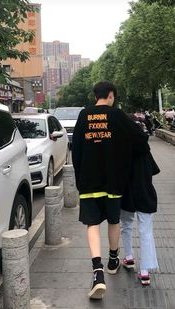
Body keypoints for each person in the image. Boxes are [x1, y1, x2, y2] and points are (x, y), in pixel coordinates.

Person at [72, 81, 149, 299]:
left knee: (92, 223)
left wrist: (80, 180)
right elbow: (140, 141)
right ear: (111, 95)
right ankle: (113, 260)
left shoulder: (83, 116)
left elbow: (75, 148)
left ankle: (97, 272)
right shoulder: (117, 116)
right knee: (114, 221)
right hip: (114, 182)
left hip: (88, 181)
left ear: (95, 96)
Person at [121, 119, 160, 286]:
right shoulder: (145, 148)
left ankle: (129, 257)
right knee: (145, 231)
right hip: (145, 193)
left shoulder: (121, 149)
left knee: (126, 226)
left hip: (127, 195)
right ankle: (145, 272)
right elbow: (154, 170)